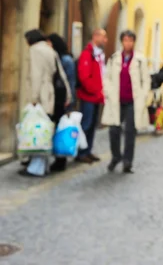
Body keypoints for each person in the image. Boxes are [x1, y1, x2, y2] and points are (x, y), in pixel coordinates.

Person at [21, 29, 71, 177]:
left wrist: (34, 99)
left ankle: (37, 167)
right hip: (52, 94)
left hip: (43, 95)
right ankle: (41, 165)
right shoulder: (50, 50)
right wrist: (67, 93)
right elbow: (61, 73)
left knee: (38, 130)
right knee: (45, 129)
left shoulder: (35, 50)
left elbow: (36, 75)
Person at [102, 30, 151, 174]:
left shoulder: (140, 60)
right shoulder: (114, 58)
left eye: (130, 40)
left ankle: (128, 161)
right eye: (125, 40)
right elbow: (107, 77)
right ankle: (116, 156)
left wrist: (143, 96)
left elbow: (146, 80)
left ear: (134, 42)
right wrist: (109, 92)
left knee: (130, 131)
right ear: (122, 42)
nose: (127, 43)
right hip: (116, 100)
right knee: (114, 130)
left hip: (132, 101)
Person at [47, 33, 77, 172]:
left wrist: (69, 101)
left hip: (61, 100)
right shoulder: (59, 58)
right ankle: (57, 158)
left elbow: (70, 82)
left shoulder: (66, 60)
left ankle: (60, 160)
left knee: (61, 129)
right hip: (57, 99)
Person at [76, 28, 106, 164]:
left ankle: (87, 150)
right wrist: (95, 90)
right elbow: (84, 76)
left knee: (93, 124)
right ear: (96, 36)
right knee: (86, 124)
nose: (105, 40)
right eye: (103, 37)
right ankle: (81, 152)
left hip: (97, 96)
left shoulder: (99, 54)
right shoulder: (87, 54)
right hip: (89, 96)